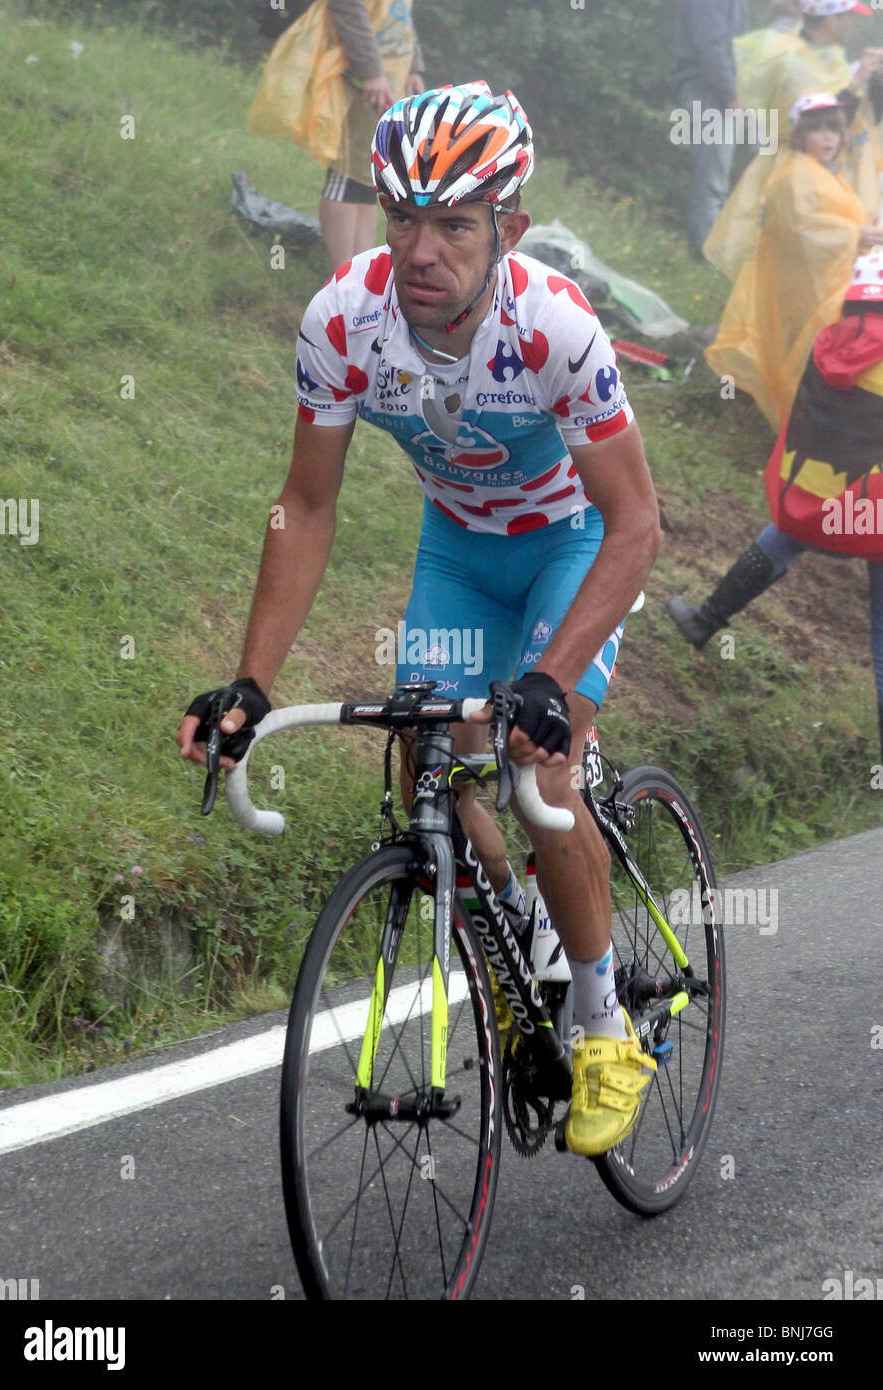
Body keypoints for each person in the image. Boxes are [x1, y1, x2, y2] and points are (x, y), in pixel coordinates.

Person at [178, 82, 663, 1158]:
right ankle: (533, 932)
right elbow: (305, 505)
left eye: (454, 222)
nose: (423, 247)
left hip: (572, 552)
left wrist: (556, 676)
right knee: (425, 762)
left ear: (509, 230)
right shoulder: (345, 321)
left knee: (544, 773)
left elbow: (637, 526)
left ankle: (601, 1019)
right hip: (458, 553)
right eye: (404, 217)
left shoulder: (556, 329)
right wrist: (251, 681)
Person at [668, 248, 883, 757]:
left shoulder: (826, 343)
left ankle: (707, 620)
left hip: (816, 506)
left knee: (782, 538)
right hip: (872, 515)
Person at [705, 93, 875, 432]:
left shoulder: (826, 174)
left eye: (833, 129)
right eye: (818, 130)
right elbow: (800, 230)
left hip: (823, 283)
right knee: (804, 356)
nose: (828, 137)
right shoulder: (794, 176)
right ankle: (802, 430)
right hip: (800, 292)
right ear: (801, 134)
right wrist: (855, 236)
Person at [705, 0, 883, 280]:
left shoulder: (827, 55)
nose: (853, 23)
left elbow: (854, 115)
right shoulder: (794, 60)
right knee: (802, 257)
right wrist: (855, 82)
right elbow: (814, 125)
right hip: (800, 174)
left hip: (830, 173)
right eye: (849, 16)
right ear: (831, 19)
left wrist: (874, 83)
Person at [320, 0, 425, 267]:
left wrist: (413, 65)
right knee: (347, 173)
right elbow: (347, 7)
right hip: (361, 75)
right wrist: (370, 72)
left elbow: (400, 13)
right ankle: (341, 279)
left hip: (390, 75)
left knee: (372, 175)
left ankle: (358, 273)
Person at [671, 0, 750, 254]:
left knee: (715, 179)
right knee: (711, 182)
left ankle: (710, 252)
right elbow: (710, 47)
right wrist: (731, 97)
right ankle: (706, 257)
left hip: (717, 90)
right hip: (707, 90)